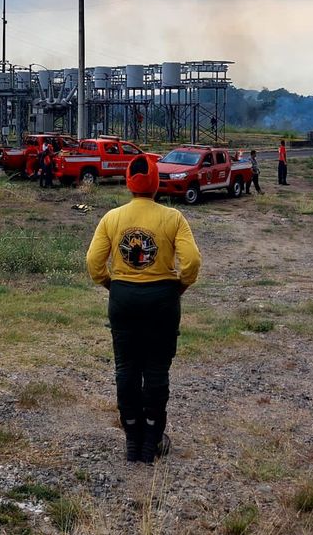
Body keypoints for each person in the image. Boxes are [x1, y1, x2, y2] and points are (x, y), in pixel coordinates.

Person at [86, 155, 201, 464]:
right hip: (162, 299)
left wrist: (112, 284)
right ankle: (152, 437)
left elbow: (94, 263)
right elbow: (191, 262)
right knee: (156, 369)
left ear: (128, 182)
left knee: (126, 368)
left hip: (123, 297)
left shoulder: (112, 218)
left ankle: (132, 437)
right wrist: (180, 286)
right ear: (156, 182)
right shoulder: (174, 218)